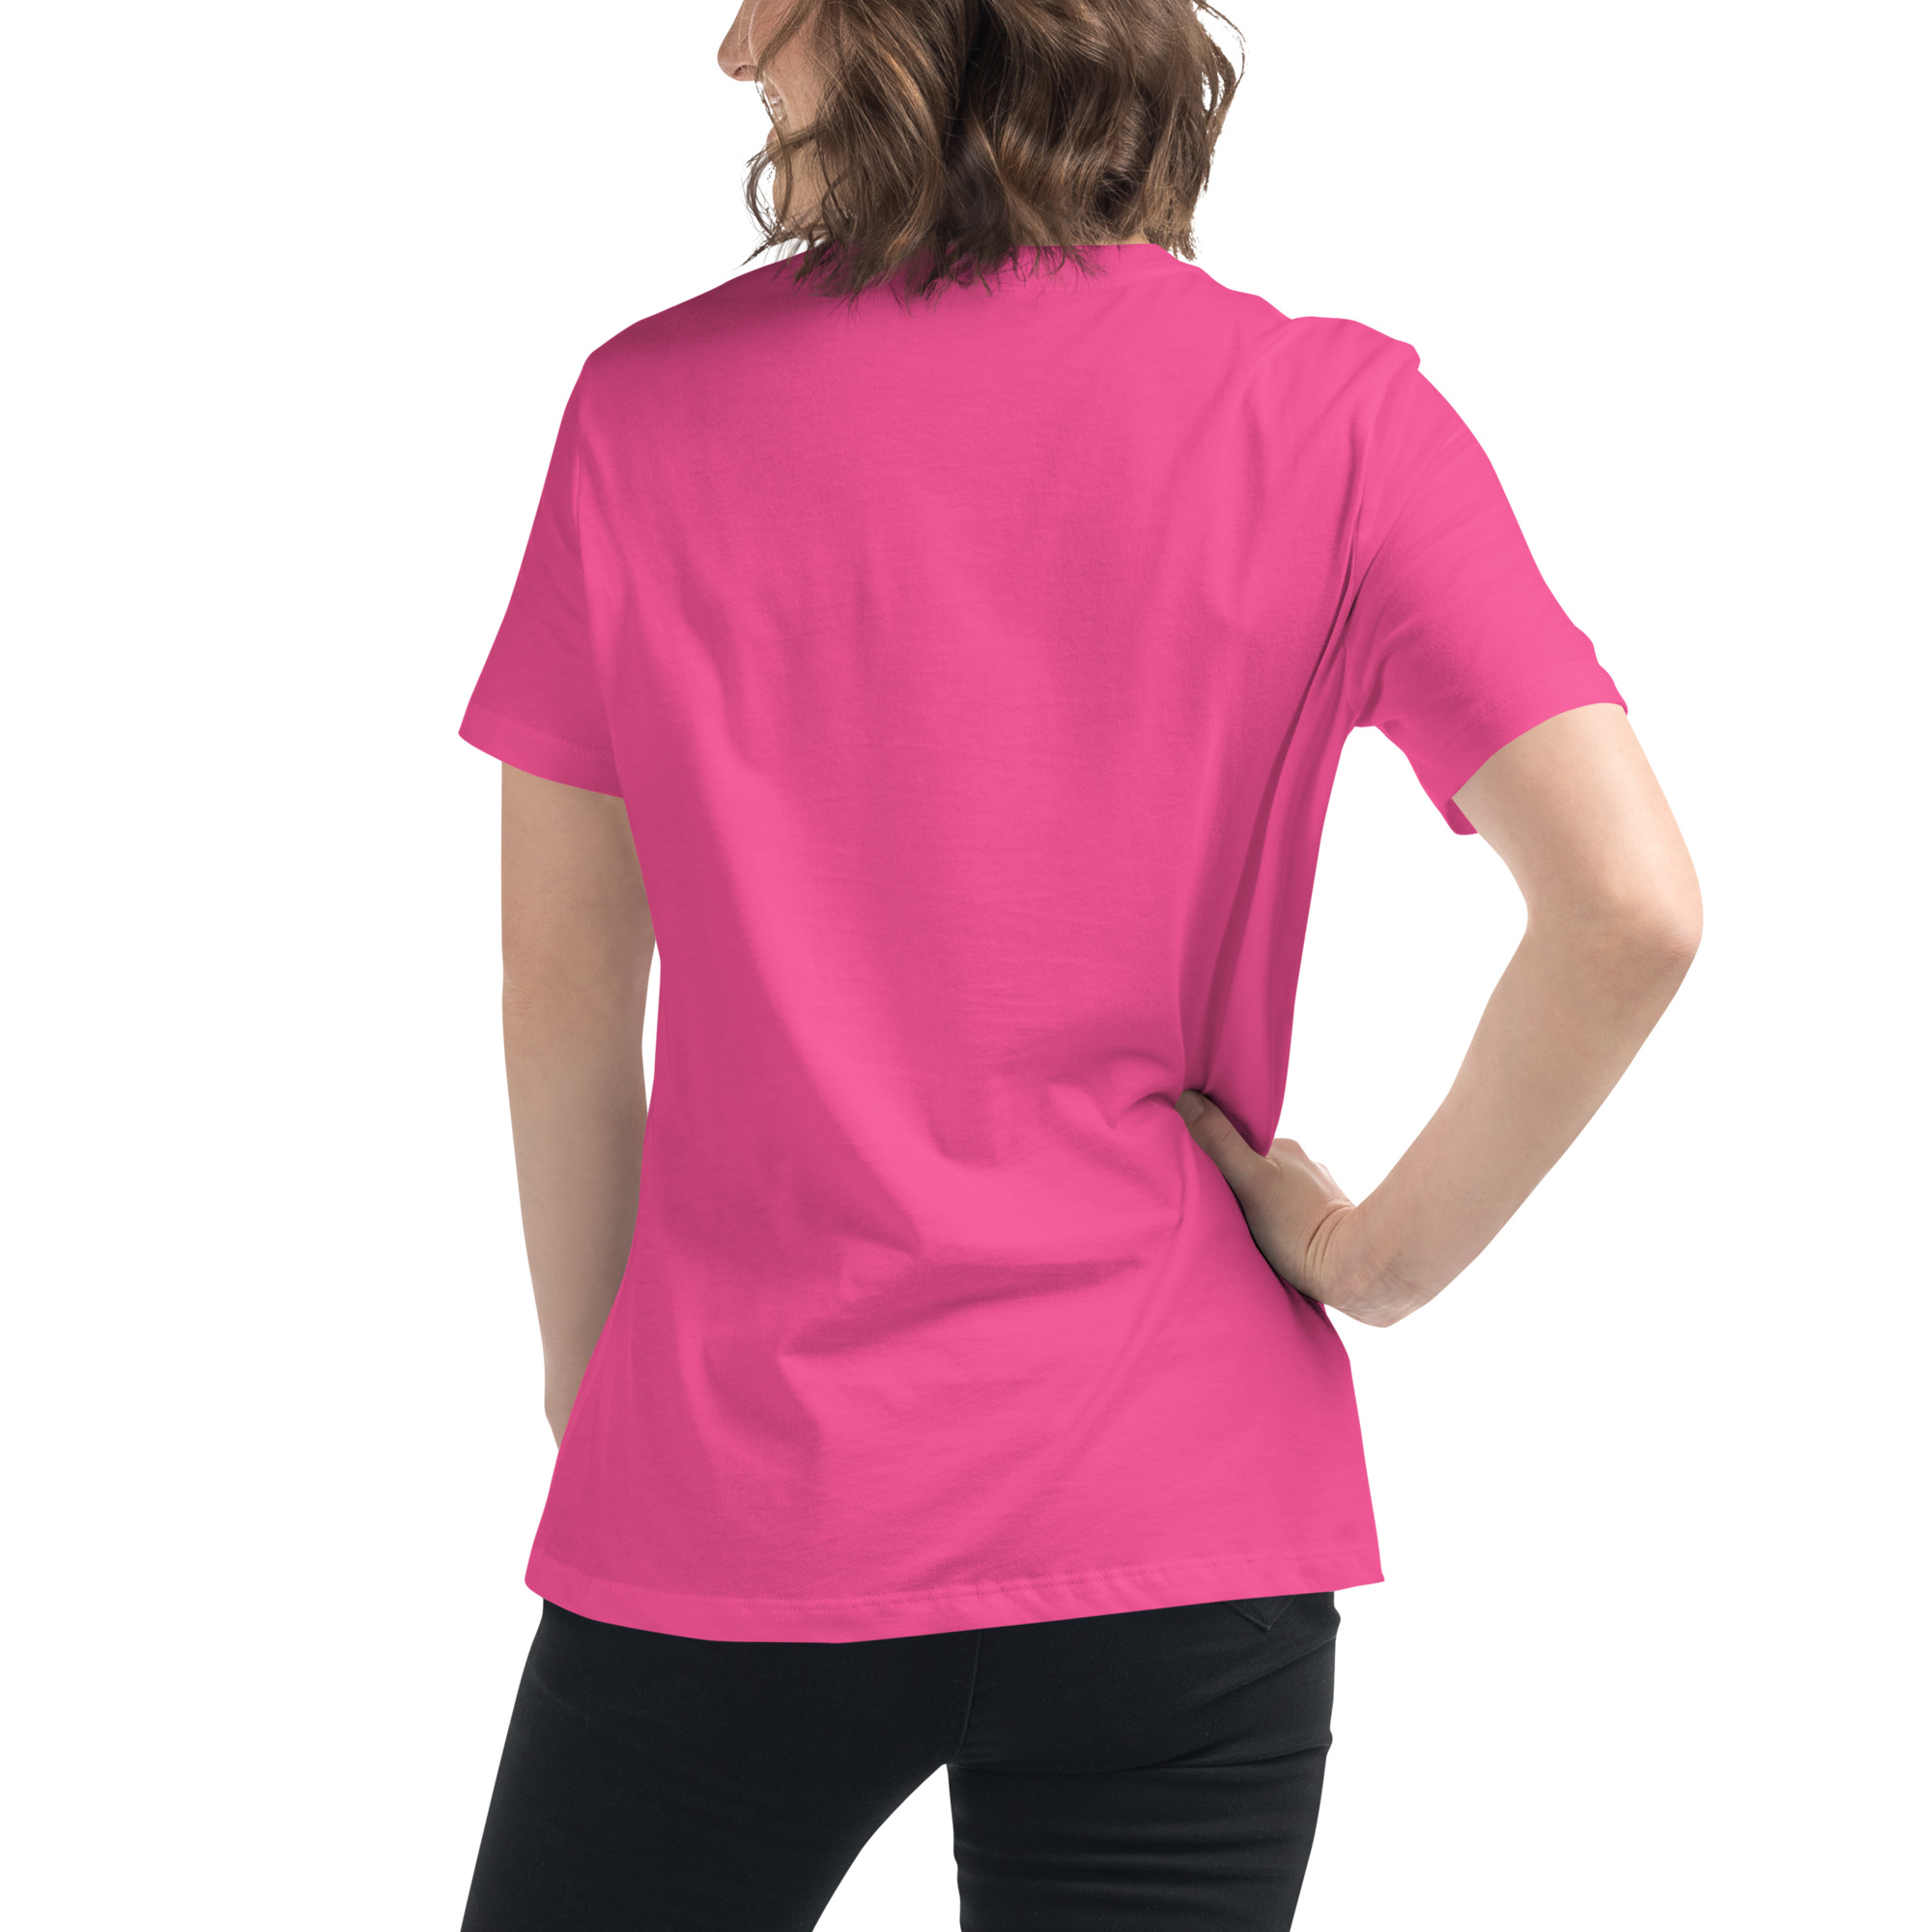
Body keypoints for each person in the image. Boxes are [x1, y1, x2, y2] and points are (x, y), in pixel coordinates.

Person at [454, 2, 1702, 1925]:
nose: (729, 51)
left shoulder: (645, 414)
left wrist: (593, 1391)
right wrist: (1373, 1259)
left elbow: (562, 974)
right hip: (1183, 1512)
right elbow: (1627, 905)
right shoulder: (1334, 418)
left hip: (749, 1488)